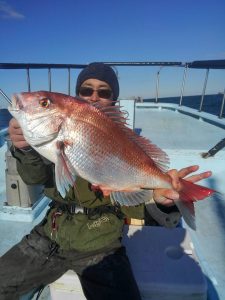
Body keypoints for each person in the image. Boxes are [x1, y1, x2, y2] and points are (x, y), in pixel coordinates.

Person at [0, 63, 212, 300]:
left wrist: (161, 199)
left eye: (104, 92)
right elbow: (34, 178)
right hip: (50, 233)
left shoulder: (121, 137)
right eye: (86, 90)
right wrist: (25, 149)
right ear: (77, 94)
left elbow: (134, 202)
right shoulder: (48, 139)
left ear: (113, 99)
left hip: (100, 241)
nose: (94, 96)